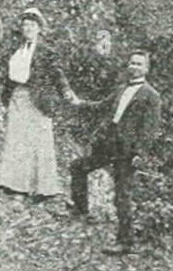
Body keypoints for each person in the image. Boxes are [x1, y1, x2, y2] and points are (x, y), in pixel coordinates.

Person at [65, 49, 161, 255]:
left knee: (122, 195)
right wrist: (79, 103)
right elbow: (101, 106)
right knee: (78, 167)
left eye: (138, 64)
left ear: (146, 68)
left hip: (127, 151)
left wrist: (140, 154)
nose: (134, 67)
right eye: (132, 63)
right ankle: (80, 209)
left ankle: (125, 242)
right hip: (108, 144)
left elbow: (149, 130)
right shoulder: (121, 88)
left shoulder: (151, 96)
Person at [0, 6, 63, 199]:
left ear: (39, 28)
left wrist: (66, 93)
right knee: (17, 141)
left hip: (38, 100)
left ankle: (43, 188)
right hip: (18, 97)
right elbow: (8, 76)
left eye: (32, 25)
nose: (28, 29)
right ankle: (16, 185)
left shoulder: (46, 51)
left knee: (39, 142)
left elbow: (57, 75)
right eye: (25, 25)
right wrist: (4, 96)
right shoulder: (17, 50)